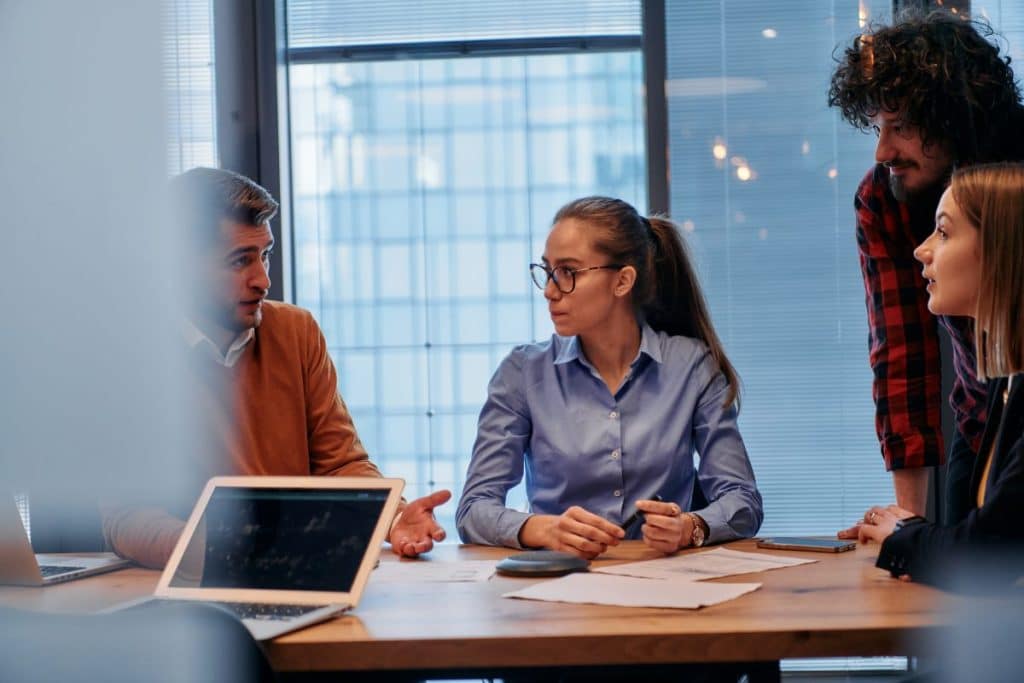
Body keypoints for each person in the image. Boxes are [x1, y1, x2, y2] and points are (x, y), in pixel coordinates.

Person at [102, 167, 450, 568]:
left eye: (264, 255)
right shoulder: (130, 357)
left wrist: (390, 518)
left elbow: (340, 464)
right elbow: (126, 518)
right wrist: (229, 550)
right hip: (187, 589)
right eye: (240, 261)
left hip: (294, 573)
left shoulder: (296, 331)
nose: (263, 280)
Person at [456, 197, 763, 558]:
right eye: (547, 271)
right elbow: (473, 508)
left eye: (568, 272)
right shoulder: (522, 373)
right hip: (557, 585)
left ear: (622, 281)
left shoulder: (692, 367)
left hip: (664, 584)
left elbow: (742, 501)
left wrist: (689, 527)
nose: (550, 291)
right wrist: (544, 529)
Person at [828, 10, 1024, 521]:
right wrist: (907, 524)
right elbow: (901, 355)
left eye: (901, 126)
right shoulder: (882, 198)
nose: (882, 149)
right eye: (877, 126)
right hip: (981, 416)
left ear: (953, 116)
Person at [841, 163, 1024, 587]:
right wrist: (907, 531)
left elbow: (986, 552)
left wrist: (904, 536)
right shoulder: (1005, 384)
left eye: (943, 232)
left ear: (1001, 249)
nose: (922, 250)